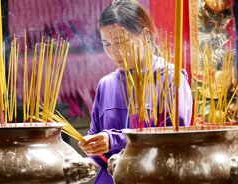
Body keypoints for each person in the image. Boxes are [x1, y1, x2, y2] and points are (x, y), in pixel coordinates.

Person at [78, 0, 193, 183]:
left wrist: (116, 139)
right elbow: (99, 152)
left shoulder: (170, 78)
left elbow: (175, 135)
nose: (114, 51)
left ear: (145, 35)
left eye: (120, 42)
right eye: (106, 44)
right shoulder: (106, 85)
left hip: (154, 178)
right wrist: (92, 146)